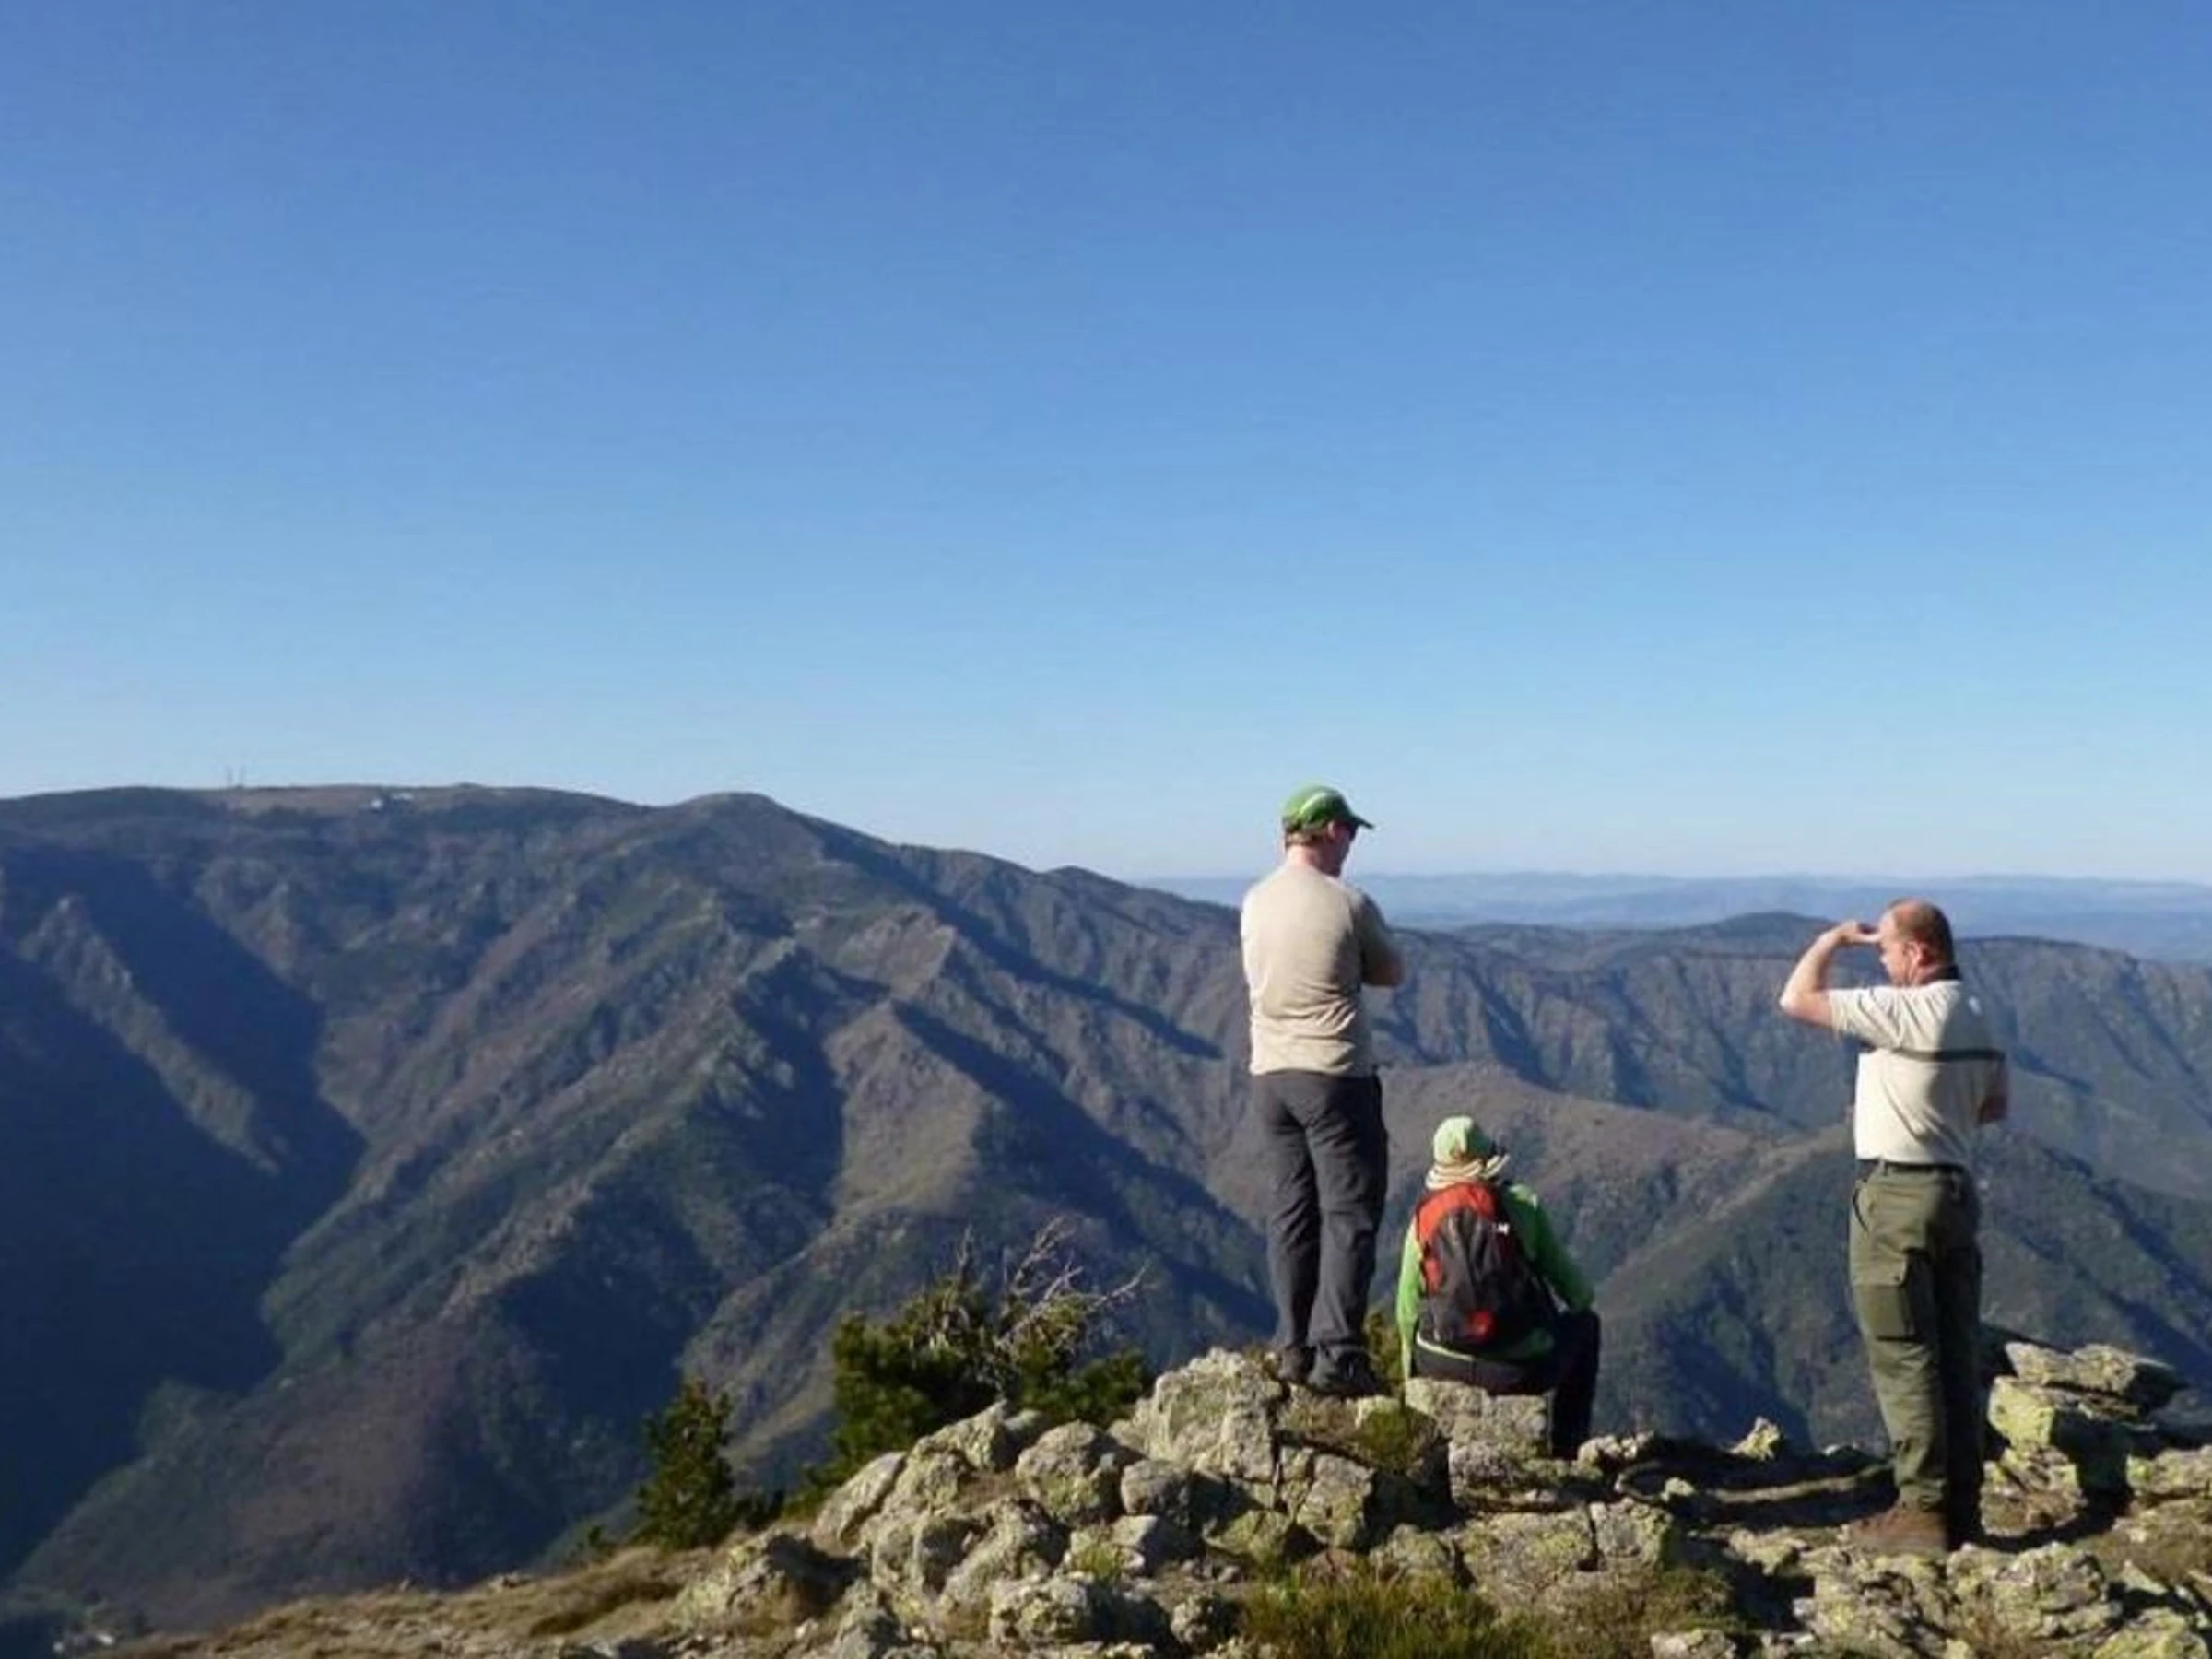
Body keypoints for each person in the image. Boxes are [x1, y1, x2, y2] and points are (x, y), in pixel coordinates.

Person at [1777, 899, 2008, 1557]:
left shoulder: (1904, 1010)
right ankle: (1962, 1508)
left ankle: (1921, 1512)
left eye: (1885, 948)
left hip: (1897, 1196)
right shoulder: (1978, 1013)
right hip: (1955, 1192)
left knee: (1905, 1355)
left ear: (1918, 953)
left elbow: (1796, 999)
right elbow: (1995, 1105)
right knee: (1956, 1354)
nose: (1880, 959)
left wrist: (1831, 940)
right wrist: (1932, 1108)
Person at [1241, 783, 1405, 1397]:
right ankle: (1339, 1356)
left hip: (1270, 1076)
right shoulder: (1346, 903)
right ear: (1330, 830)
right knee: (1349, 1212)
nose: (1352, 844)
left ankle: (1292, 1348)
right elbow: (1392, 971)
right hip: (1334, 1074)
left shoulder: (1254, 902)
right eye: (1351, 832)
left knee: (1291, 1211)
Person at [1394, 1114, 1600, 1455]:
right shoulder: (1523, 1206)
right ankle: (1567, 1448)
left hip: (1441, 1363)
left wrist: (1411, 1378)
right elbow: (1578, 1294)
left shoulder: (1423, 1220)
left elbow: (1406, 1311)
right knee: (1587, 1326)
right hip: (1516, 1369)